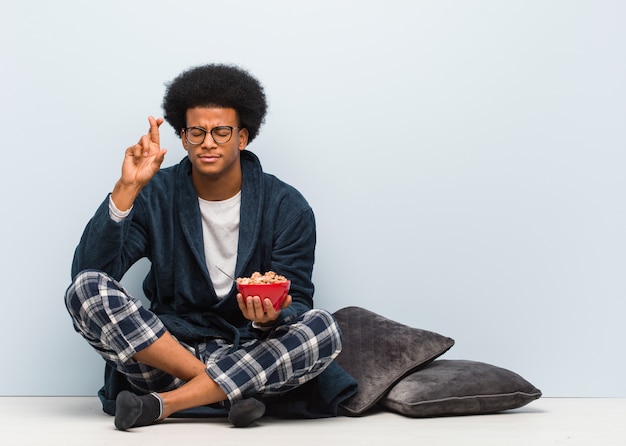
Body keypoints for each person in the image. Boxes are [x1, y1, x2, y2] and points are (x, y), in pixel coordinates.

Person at [64, 63, 356, 430]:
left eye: (221, 132)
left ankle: (162, 406)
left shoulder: (286, 206)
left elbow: (298, 302)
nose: (208, 143)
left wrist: (273, 316)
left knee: (322, 327)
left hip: (252, 351)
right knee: (86, 290)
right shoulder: (156, 195)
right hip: (169, 356)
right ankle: (224, 392)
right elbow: (93, 273)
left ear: (242, 137)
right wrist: (127, 188)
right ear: (183, 138)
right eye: (197, 133)